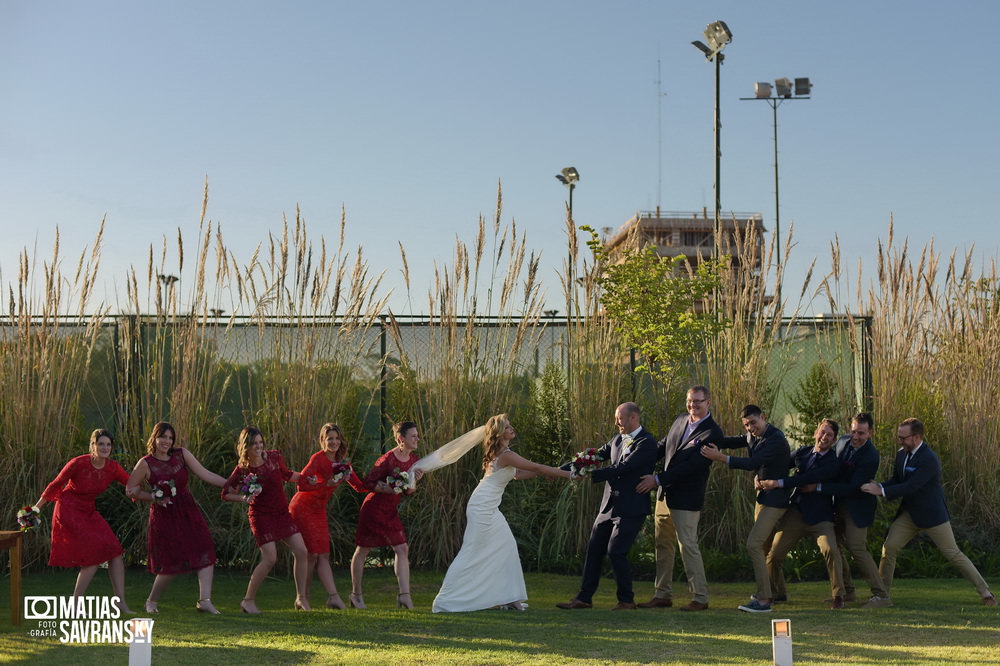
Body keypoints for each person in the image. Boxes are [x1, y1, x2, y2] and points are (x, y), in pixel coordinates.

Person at [432, 414, 572, 612]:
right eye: (507, 427)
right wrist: (568, 474)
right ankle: (444, 600)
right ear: (499, 433)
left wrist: (548, 473)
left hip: (489, 507)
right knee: (471, 551)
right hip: (482, 507)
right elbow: (534, 466)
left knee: (507, 546)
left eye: (510, 425)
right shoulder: (505, 454)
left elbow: (520, 474)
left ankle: (510, 598)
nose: (512, 428)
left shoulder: (504, 452)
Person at [861, 418, 996, 606]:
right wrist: (879, 485)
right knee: (889, 547)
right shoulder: (901, 455)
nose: (899, 441)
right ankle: (883, 596)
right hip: (909, 515)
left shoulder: (929, 459)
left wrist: (882, 492)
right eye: (898, 437)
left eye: (903, 438)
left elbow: (912, 486)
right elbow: (897, 480)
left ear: (916, 437)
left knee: (953, 554)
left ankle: (986, 593)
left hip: (932, 517)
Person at [556, 402, 658, 610]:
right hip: (608, 506)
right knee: (594, 550)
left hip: (631, 507)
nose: (616, 422)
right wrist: (558, 470)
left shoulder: (647, 443)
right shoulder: (617, 439)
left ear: (633, 418)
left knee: (616, 550)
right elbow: (593, 456)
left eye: (619, 418)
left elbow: (623, 467)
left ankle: (626, 600)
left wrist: (587, 475)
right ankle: (584, 598)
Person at [635, 385, 724, 612]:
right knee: (662, 544)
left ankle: (700, 597)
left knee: (688, 546)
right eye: (690, 401)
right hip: (665, 495)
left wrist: (656, 480)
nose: (693, 405)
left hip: (686, 497)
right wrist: (636, 459)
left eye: (698, 401)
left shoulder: (712, 432)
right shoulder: (681, 419)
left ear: (708, 402)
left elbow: (690, 467)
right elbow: (663, 447)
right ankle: (662, 594)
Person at [126, 421, 227, 614]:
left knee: (205, 548)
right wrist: (153, 497)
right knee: (171, 561)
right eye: (163, 436)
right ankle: (152, 601)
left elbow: (205, 473)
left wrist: (229, 485)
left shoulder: (181, 454)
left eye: (170, 438)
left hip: (188, 509)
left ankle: (205, 600)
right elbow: (130, 490)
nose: (166, 441)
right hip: (164, 516)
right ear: (154, 438)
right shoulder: (146, 463)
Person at [701, 404, 790, 613]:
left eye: (753, 423)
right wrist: (704, 437)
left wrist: (720, 458)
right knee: (764, 547)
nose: (750, 428)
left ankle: (764, 600)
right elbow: (729, 441)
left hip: (776, 501)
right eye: (746, 425)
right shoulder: (752, 435)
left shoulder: (776, 439)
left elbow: (753, 463)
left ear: (763, 417)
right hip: (763, 497)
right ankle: (777, 591)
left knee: (753, 545)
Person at [33, 429, 133, 613]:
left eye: (108, 445)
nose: (105, 448)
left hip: (89, 511)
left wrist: (157, 492)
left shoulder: (112, 467)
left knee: (116, 552)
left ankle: (120, 601)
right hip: (68, 509)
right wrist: (35, 509)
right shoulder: (79, 463)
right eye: (100, 444)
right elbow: (56, 484)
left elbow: (131, 483)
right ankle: (76, 604)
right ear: (93, 446)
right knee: (93, 557)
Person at [222, 426, 312, 614]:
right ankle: (248, 601)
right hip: (261, 516)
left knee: (302, 551)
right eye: (254, 443)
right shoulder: (243, 469)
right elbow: (226, 493)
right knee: (270, 558)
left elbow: (287, 475)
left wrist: (305, 478)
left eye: (261, 442)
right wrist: (243, 498)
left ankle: (301, 598)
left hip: (281, 513)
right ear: (245, 446)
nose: (259, 446)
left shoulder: (274, 457)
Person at [758, 419, 847, 608]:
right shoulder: (803, 452)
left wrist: (779, 483)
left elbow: (808, 478)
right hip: (796, 513)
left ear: (833, 440)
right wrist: (760, 476)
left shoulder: (833, 462)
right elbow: (780, 464)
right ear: (816, 433)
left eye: (829, 435)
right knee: (774, 556)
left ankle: (838, 595)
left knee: (831, 549)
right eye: (822, 432)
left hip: (821, 517)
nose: (824, 437)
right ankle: (777, 592)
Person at [813, 412, 889, 608]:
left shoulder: (871, 456)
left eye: (861, 433)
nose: (855, 437)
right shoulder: (843, 442)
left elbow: (852, 487)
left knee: (857, 548)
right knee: (836, 547)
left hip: (857, 507)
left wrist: (819, 487)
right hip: (837, 503)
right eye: (854, 431)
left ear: (870, 433)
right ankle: (847, 592)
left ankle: (881, 595)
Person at [288, 423, 367, 609]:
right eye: (330, 438)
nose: (334, 442)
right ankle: (305, 598)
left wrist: (385, 485)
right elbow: (302, 485)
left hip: (319, 510)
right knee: (310, 555)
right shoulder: (318, 458)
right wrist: (327, 483)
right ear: (322, 440)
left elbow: (360, 486)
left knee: (322, 554)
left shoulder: (344, 463)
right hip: (303, 508)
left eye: (337, 438)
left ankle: (329, 598)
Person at [350, 420, 424, 610]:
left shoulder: (414, 460)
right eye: (413, 436)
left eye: (417, 435)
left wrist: (414, 481)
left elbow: (408, 492)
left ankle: (404, 596)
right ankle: (356, 595)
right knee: (363, 550)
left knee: (402, 549)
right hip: (373, 510)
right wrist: (389, 488)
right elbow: (368, 483)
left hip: (390, 512)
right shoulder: (387, 459)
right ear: (401, 438)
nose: (417, 439)